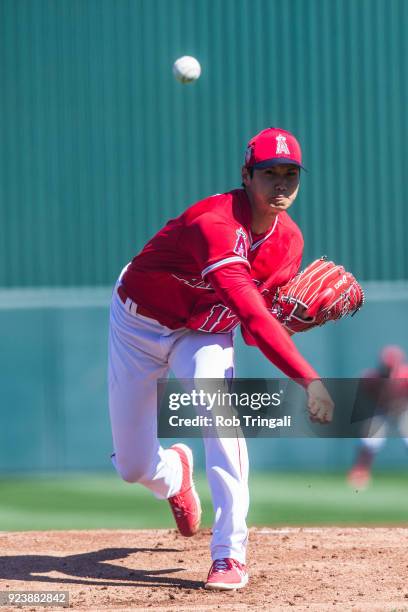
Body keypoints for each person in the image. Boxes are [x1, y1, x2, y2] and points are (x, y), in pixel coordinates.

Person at [108, 127, 334, 591]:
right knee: (132, 466)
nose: (281, 184)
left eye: (290, 174)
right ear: (245, 176)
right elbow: (249, 311)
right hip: (140, 324)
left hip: (204, 331)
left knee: (221, 414)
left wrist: (288, 321)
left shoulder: (288, 242)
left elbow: (254, 329)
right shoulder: (212, 223)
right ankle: (174, 475)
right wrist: (309, 378)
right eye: (269, 173)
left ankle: (229, 553)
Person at [347, 345, 408, 489]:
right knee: (369, 441)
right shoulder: (372, 377)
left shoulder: (405, 375)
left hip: (404, 410)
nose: (387, 370)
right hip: (382, 410)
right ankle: (360, 473)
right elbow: (364, 398)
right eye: (386, 366)